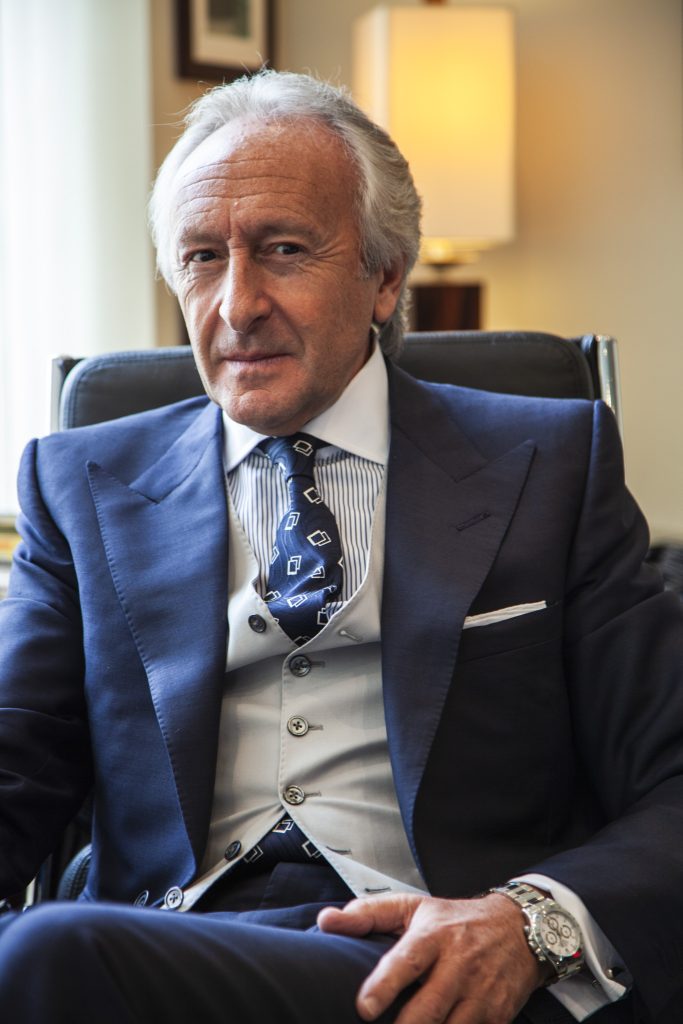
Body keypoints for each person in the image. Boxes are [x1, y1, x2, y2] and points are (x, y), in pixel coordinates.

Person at [0, 69, 681, 1024]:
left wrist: (529, 925)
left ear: (383, 274)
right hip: (163, 946)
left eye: (281, 250)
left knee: (44, 951)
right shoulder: (80, 483)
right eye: (201, 258)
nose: (235, 305)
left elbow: (671, 776)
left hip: (436, 962)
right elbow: (15, 764)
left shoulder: (550, 464)